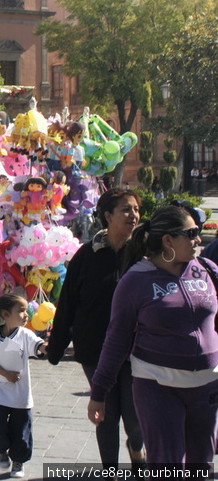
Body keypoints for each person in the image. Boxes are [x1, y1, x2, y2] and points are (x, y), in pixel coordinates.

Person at [88, 205, 218, 471]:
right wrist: (99, 392)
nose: (198, 239)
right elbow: (116, 341)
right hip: (158, 386)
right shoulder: (135, 281)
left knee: (201, 467)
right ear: (168, 240)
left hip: (207, 388)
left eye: (199, 231)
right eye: (191, 233)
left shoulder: (207, 269)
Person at [47, 188, 146, 470]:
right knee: (107, 412)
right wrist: (55, 348)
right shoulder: (87, 256)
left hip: (136, 349)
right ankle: (111, 472)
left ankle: (136, 449)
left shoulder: (143, 255)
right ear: (108, 215)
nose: (133, 215)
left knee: (135, 416)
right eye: (126, 209)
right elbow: (67, 304)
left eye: (136, 210)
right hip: (95, 350)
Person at [0, 293, 47, 478]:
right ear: (5, 314)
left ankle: (18, 462)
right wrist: (6, 374)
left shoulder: (26, 335)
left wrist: (51, 347)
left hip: (20, 395)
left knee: (22, 430)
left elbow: (39, 347)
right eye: (21, 311)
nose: (26, 314)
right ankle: (2, 450)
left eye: (27, 310)